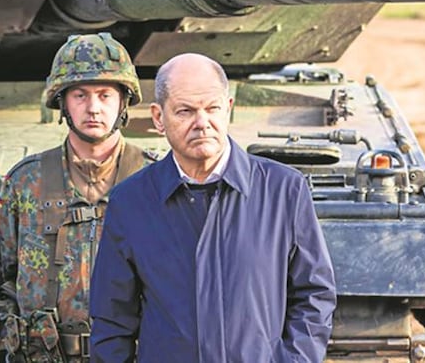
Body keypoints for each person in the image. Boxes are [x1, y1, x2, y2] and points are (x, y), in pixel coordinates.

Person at [89, 52, 336, 362]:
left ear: (228, 109)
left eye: (212, 108)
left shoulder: (283, 191)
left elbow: (313, 297)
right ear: (157, 118)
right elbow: (111, 320)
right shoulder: (132, 203)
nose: (202, 123)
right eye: (185, 111)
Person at [0, 33, 158, 363]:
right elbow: (7, 273)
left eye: (105, 95)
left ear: (123, 101)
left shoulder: (154, 179)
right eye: (80, 95)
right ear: (63, 102)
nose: (93, 108)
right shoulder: (27, 182)